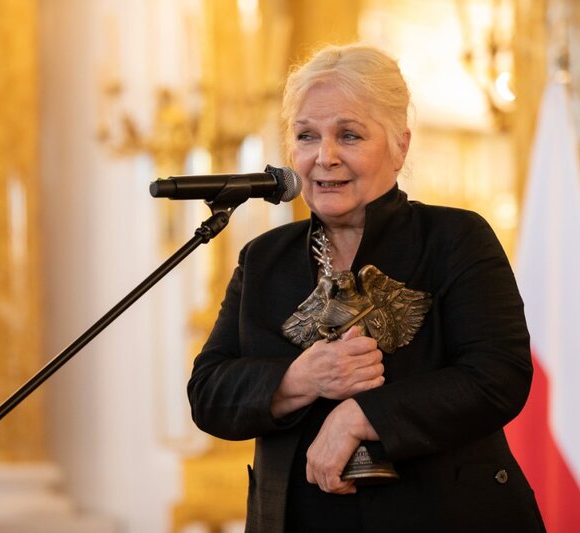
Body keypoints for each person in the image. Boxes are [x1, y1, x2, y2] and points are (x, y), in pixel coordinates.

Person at [187, 43, 545, 532]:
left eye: (349, 135)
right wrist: (300, 378)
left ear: (401, 146)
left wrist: (360, 416)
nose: (324, 157)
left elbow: (497, 377)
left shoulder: (455, 239)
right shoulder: (264, 258)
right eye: (306, 136)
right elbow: (209, 393)